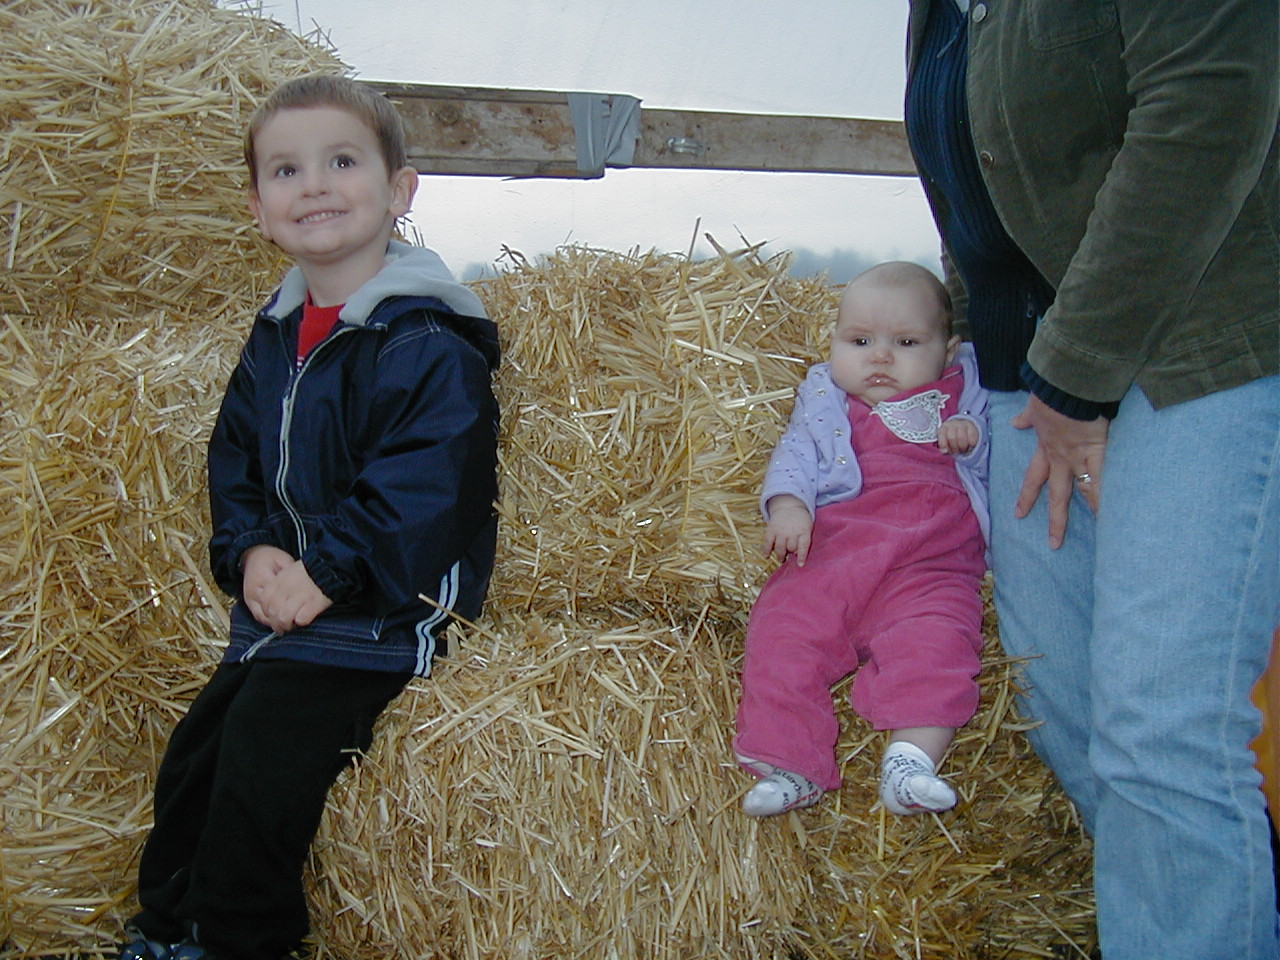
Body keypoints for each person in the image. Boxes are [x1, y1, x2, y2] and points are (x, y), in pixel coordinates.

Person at [903, 2, 1280, 958]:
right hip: (1024, 380)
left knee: (1162, 727)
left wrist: (1076, 374)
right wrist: (966, 349)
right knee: (1066, 708)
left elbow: (1209, 104)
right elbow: (970, 180)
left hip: (1192, 352)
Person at [118, 75, 500, 960]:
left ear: (400, 190)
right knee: (196, 756)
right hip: (286, 613)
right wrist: (249, 549)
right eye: (286, 171)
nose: (315, 185)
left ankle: (241, 941)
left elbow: (430, 486)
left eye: (341, 162)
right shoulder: (275, 335)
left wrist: (328, 572)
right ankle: (166, 929)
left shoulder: (425, 339)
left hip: (384, 611)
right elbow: (236, 460)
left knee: (264, 754)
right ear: (259, 208)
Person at [734, 261, 990, 818]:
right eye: (860, 341)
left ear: (948, 352)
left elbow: (1004, 462)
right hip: (833, 558)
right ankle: (790, 763)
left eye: (906, 342)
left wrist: (973, 440)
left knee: (938, 647)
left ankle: (911, 762)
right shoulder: (827, 401)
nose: (880, 357)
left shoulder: (966, 393)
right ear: (834, 343)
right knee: (782, 635)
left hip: (931, 566)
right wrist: (789, 506)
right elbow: (797, 454)